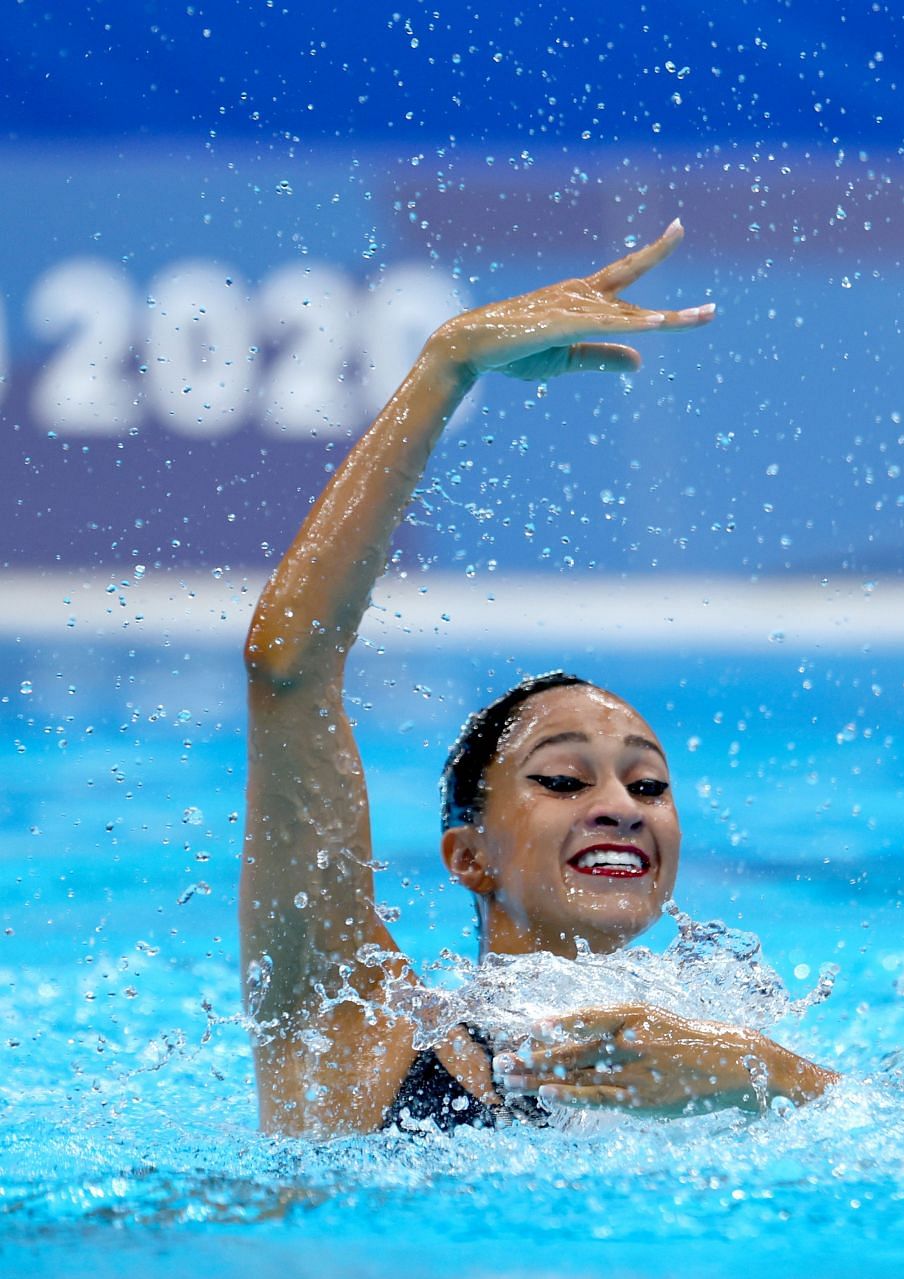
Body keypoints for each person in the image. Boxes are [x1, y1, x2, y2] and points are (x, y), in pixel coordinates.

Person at [242, 222, 838, 1137]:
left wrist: (771, 1072)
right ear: (468, 855)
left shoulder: (725, 1058)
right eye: (563, 778)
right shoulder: (372, 1035)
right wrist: (445, 368)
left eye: (649, 783)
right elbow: (290, 670)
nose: (621, 806)